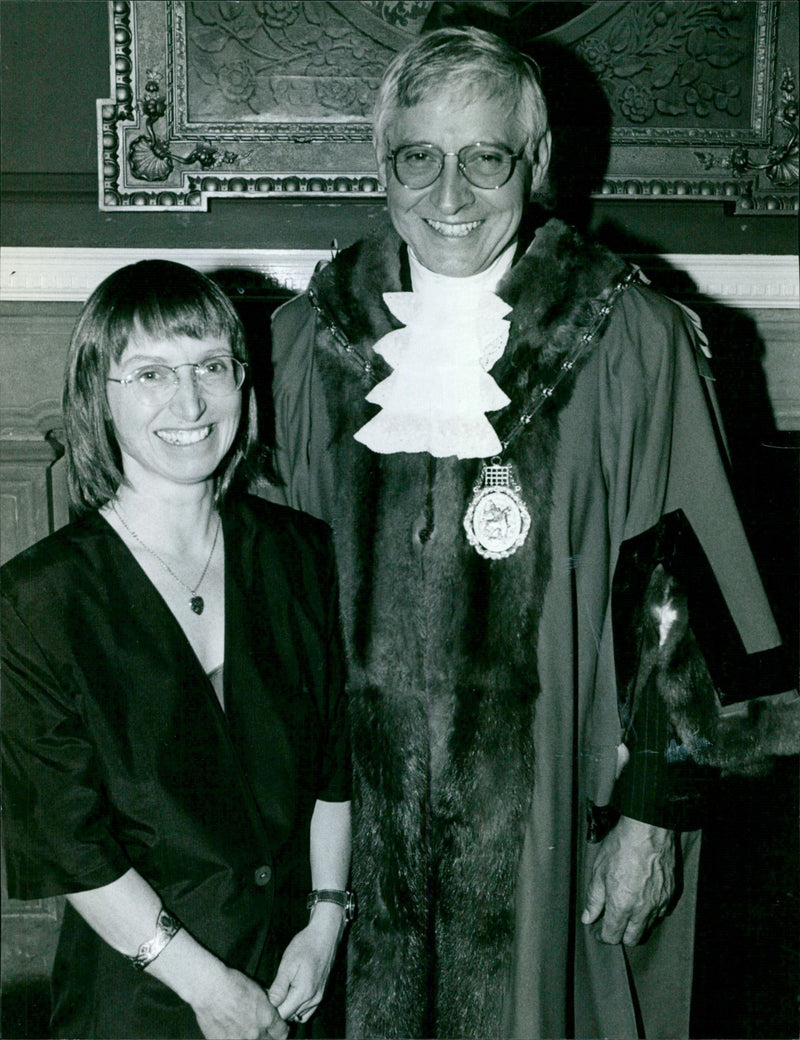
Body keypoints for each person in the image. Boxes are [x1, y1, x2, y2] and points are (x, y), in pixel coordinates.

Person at [256, 25, 800, 1040]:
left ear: (536, 161)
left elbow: (682, 601)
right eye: (419, 158)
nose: (449, 195)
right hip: (343, 835)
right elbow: (265, 617)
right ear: (382, 164)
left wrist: (651, 817)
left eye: (485, 158)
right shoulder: (302, 345)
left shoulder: (627, 340)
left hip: (555, 821)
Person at [1, 260, 352, 1040]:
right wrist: (208, 988)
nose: (190, 402)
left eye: (211, 366)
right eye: (152, 373)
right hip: (142, 999)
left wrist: (326, 922)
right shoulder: (36, 600)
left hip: (298, 980)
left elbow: (336, 766)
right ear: (98, 395)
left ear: (242, 383)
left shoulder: (302, 555)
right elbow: (69, 843)